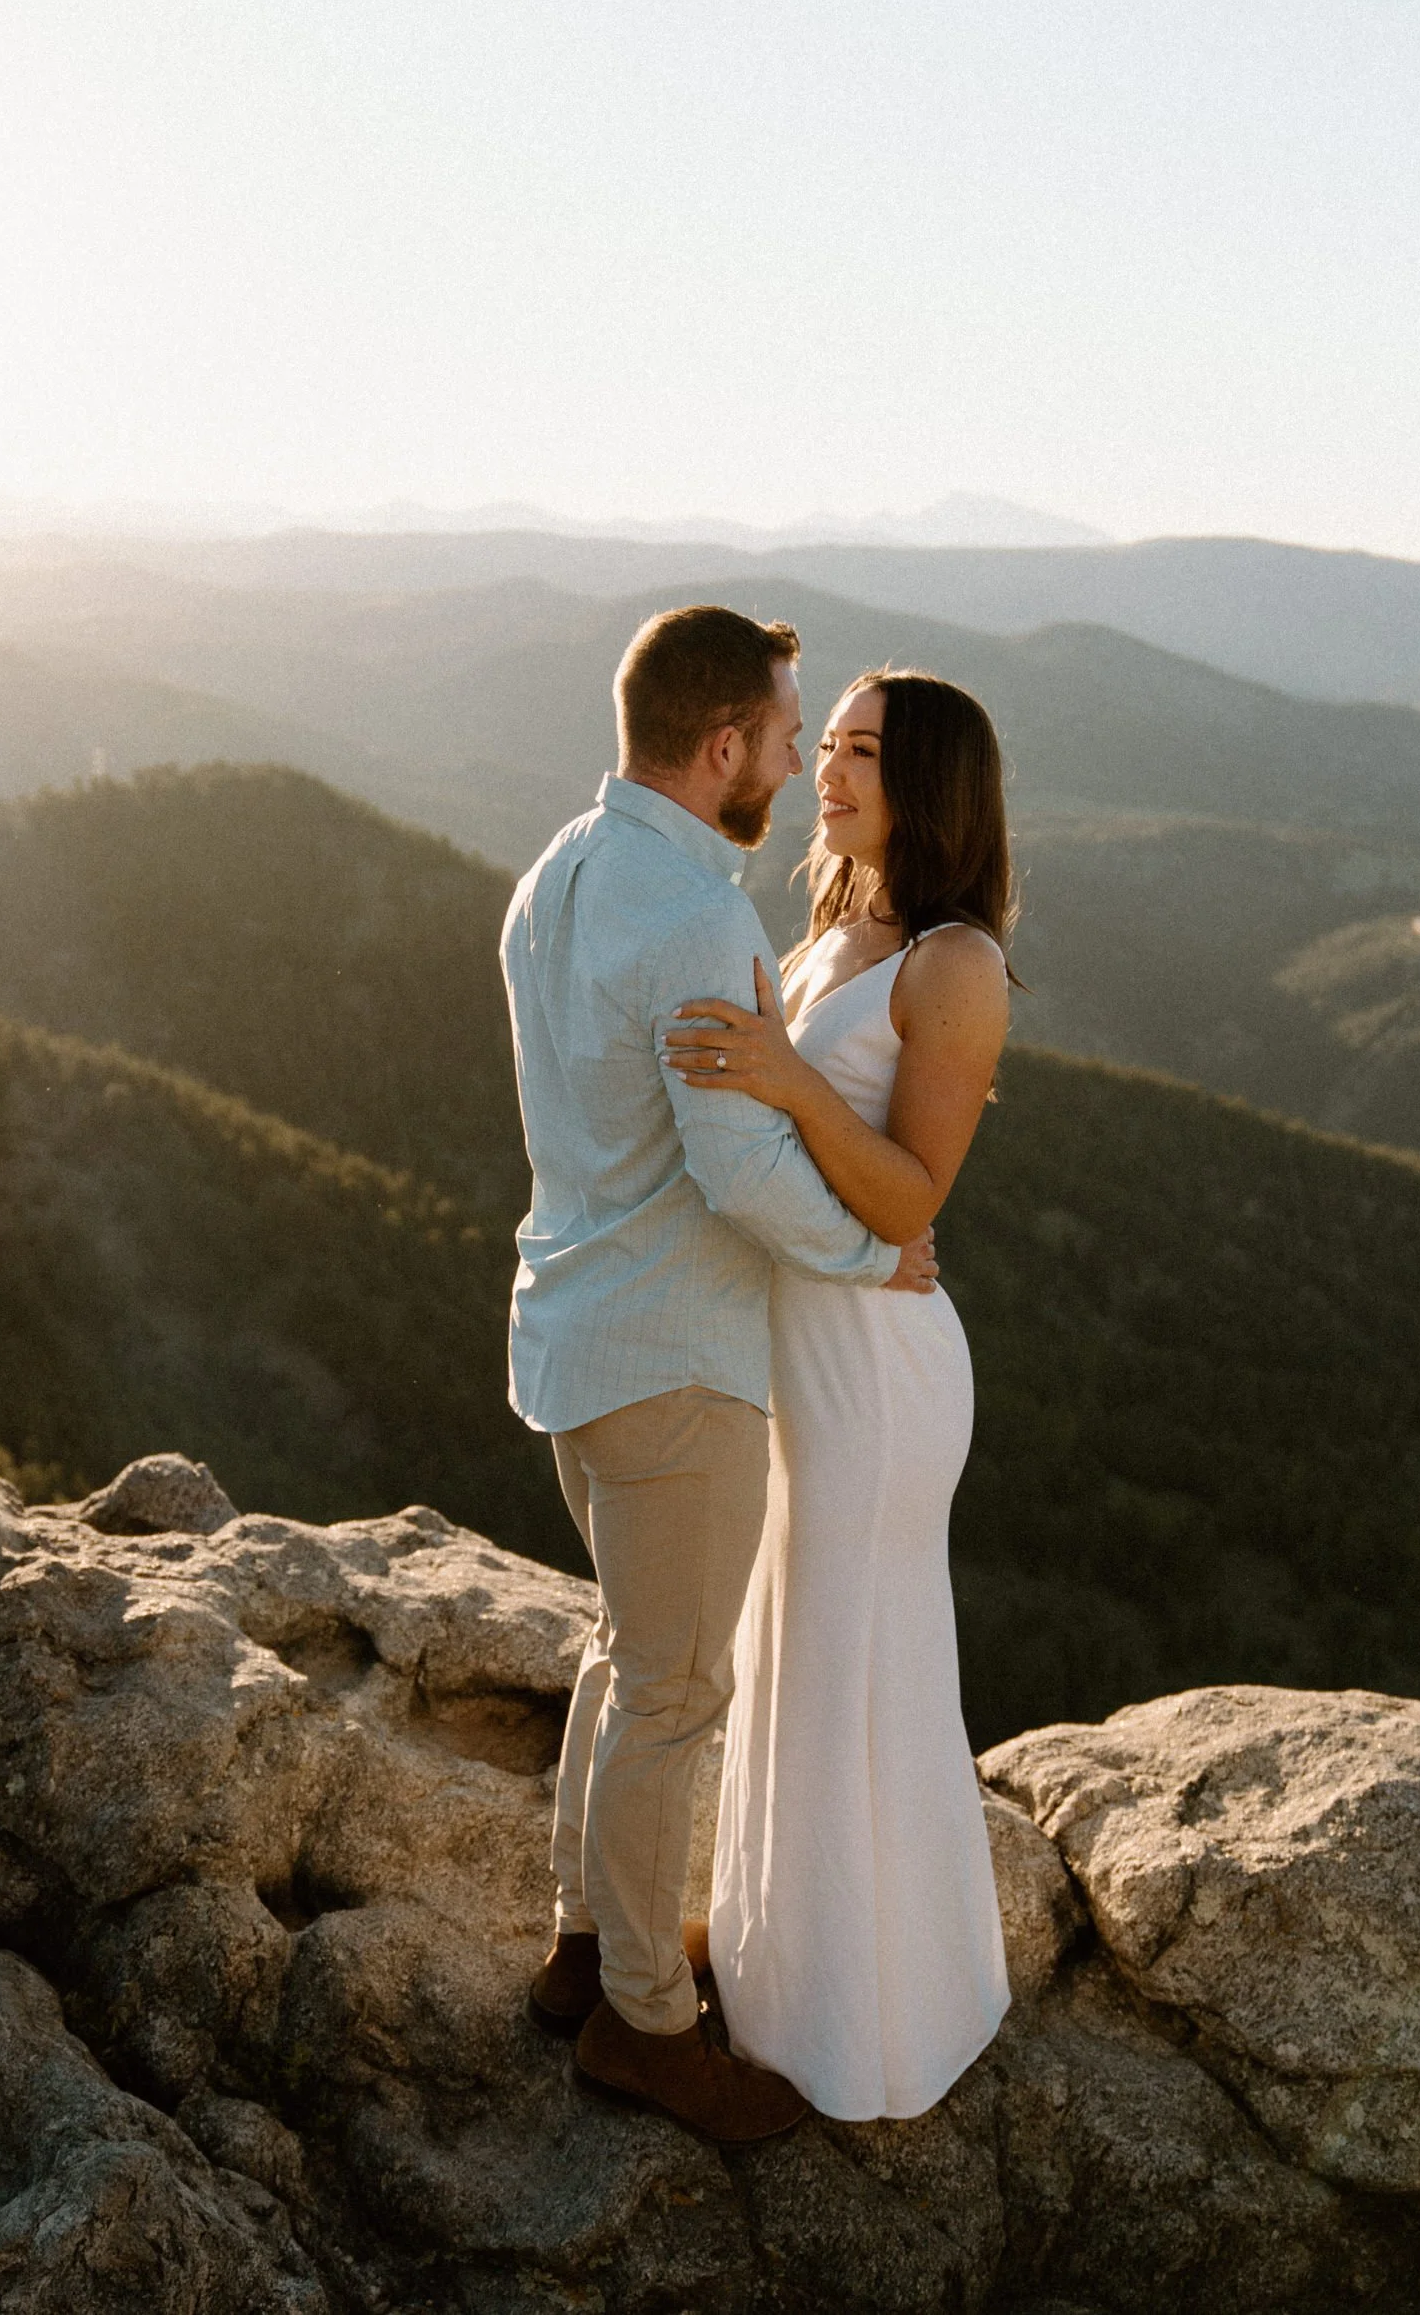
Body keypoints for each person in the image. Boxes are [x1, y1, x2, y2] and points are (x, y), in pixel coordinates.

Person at [499, 605, 939, 2146]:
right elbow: (738, 1170)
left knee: (628, 1660)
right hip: (676, 1355)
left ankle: (579, 1948)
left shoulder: (556, 872)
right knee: (674, 1692)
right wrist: (871, 1252)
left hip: (572, 1329)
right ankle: (642, 2023)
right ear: (725, 743)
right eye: (789, 734)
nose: (798, 764)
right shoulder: (694, 916)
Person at [661, 666, 1016, 2120]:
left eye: (865, 751)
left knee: (853, 1659)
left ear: (929, 783)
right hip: (794, 1349)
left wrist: (788, 1083)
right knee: (790, 1653)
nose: (831, 770)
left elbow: (912, 1198)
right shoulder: (836, 926)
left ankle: (877, 2024)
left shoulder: (954, 963)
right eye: (835, 744)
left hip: (876, 1369)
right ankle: (783, 1963)